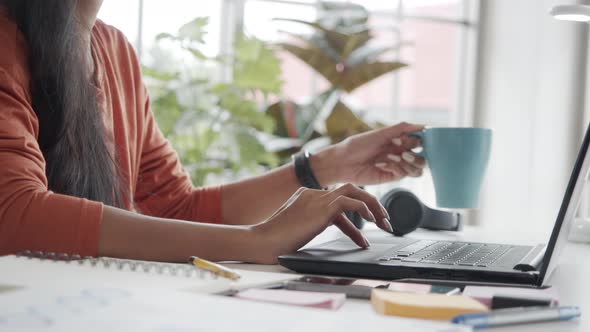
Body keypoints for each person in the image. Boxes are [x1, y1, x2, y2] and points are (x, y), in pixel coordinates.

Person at [0, 0, 425, 264]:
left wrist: (329, 165)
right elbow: (16, 215)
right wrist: (257, 241)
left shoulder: (114, 52)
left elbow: (175, 210)